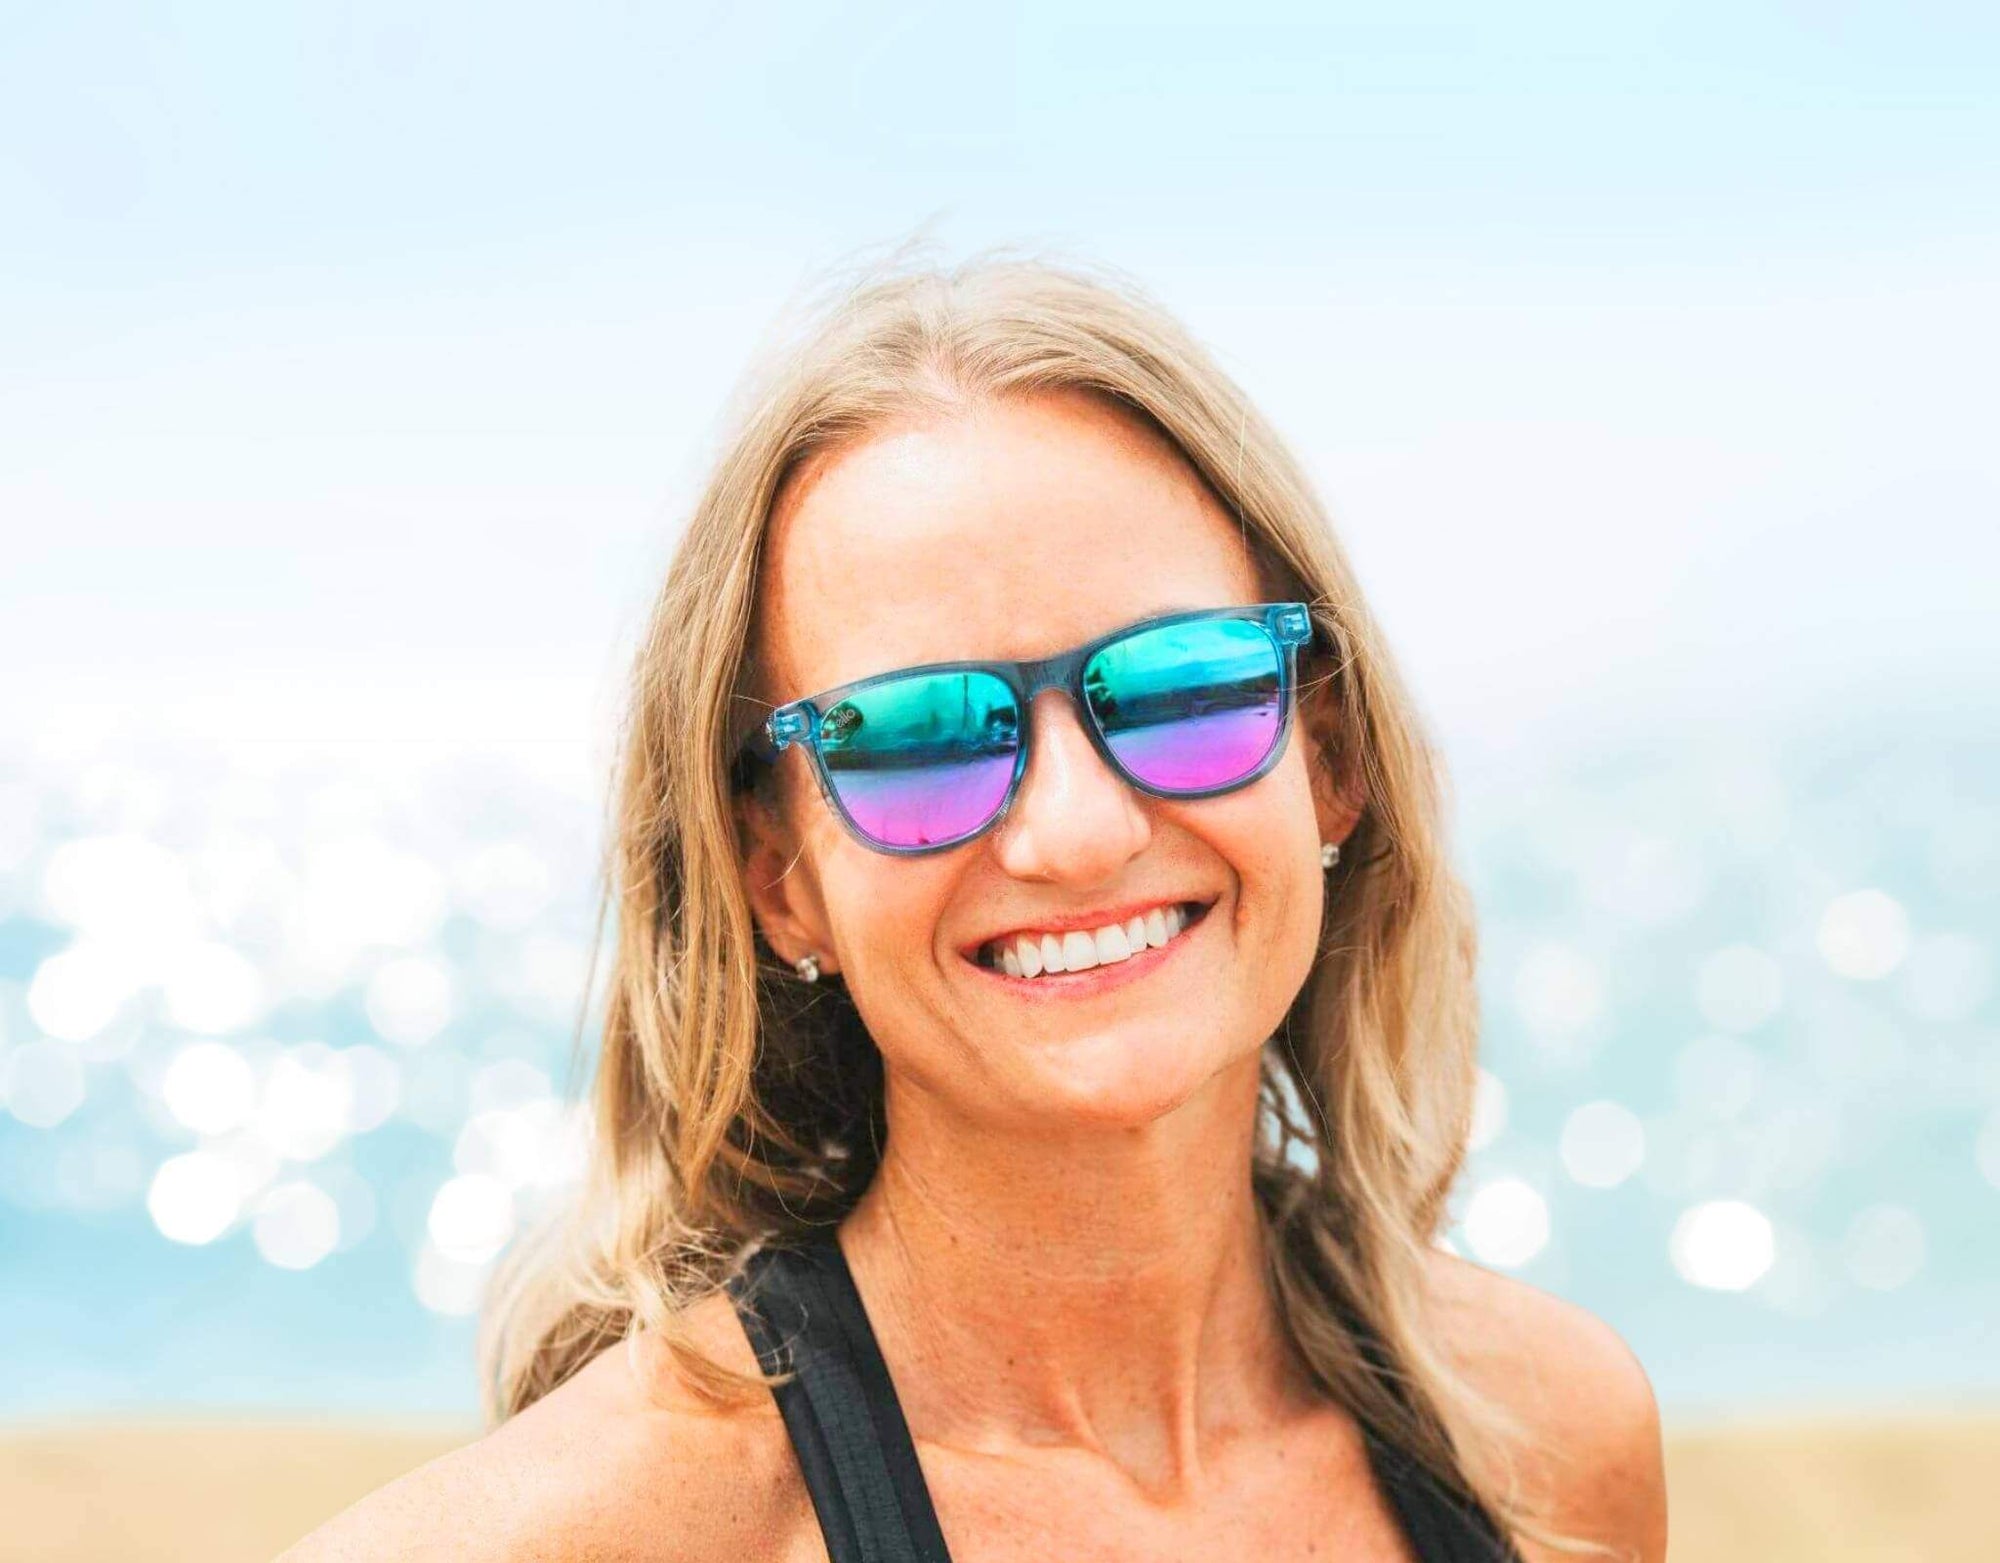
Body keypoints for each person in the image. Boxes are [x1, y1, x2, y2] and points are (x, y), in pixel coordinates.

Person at [281, 252, 1667, 1561]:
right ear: (779, 881)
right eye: (919, 736)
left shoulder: (1544, 1439)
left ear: (1333, 762)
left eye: (1186, 683)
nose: (1075, 830)